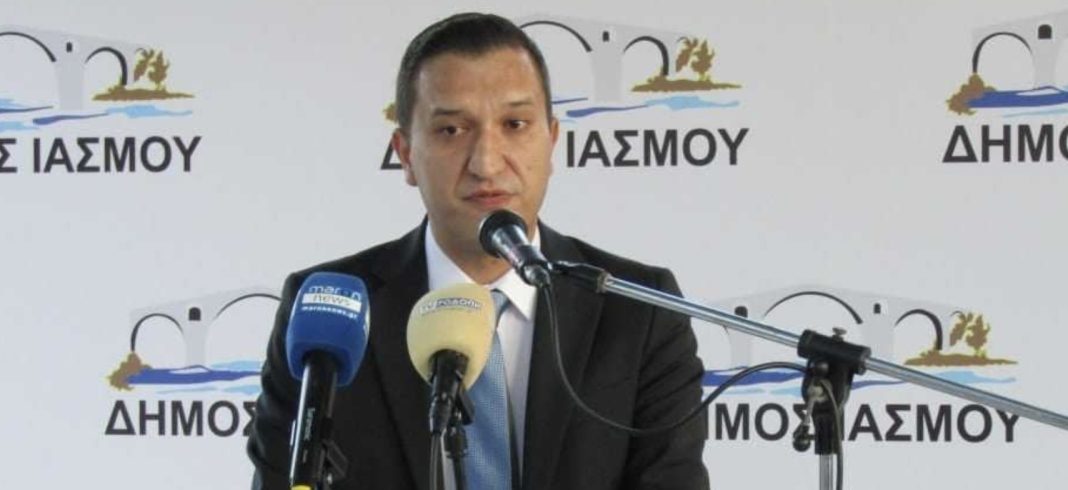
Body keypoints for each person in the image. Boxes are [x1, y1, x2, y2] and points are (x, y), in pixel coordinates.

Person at [248, 12, 709, 490]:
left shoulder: (639, 309)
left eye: (515, 124)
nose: (486, 163)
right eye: (452, 130)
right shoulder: (329, 312)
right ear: (405, 154)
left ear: (551, 141)